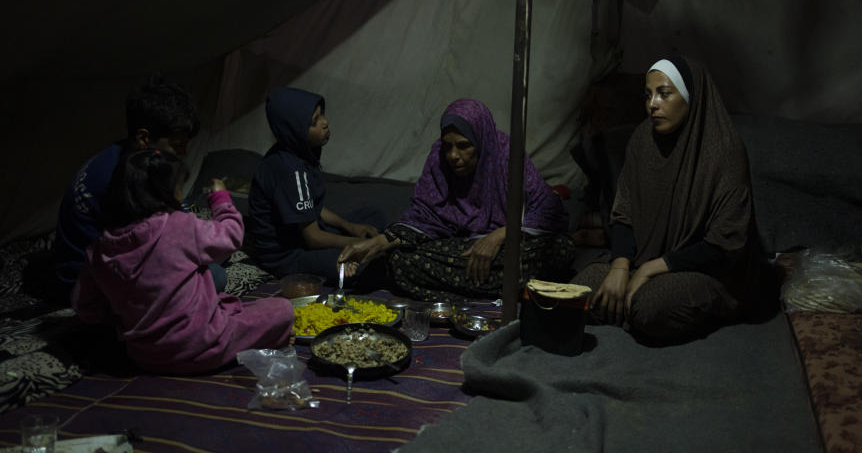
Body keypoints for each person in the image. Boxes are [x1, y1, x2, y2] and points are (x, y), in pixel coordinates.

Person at [571, 56, 768, 344]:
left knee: (649, 308)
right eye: (648, 95)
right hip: (645, 258)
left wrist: (652, 269)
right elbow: (623, 212)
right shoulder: (643, 139)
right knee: (577, 293)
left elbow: (726, 245)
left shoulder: (724, 152)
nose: (652, 104)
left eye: (664, 94)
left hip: (706, 270)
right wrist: (620, 267)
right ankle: (628, 305)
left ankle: (640, 309)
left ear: (691, 97)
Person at [72, 149, 294, 374]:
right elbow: (231, 236)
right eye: (178, 189)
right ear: (162, 194)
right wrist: (221, 199)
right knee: (282, 309)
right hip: (202, 347)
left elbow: (86, 308)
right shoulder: (178, 226)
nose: (181, 196)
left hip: (144, 356)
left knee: (212, 284)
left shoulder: (100, 248)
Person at [338, 98, 575, 303]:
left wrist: (501, 235)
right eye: (448, 146)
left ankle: (462, 290)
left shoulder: (506, 156)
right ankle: (491, 292)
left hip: (512, 245)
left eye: (463, 146)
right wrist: (377, 243)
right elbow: (425, 216)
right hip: (462, 249)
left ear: (481, 141)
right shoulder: (438, 159)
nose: (453, 156)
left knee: (559, 250)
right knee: (399, 260)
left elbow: (548, 209)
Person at [52, 76, 217, 301]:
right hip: (87, 284)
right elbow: (150, 249)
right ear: (144, 138)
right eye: (178, 144)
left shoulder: (126, 156)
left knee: (211, 249)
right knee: (214, 275)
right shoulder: (122, 180)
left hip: (108, 264)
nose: (184, 152)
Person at [245, 86, 384, 282]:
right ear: (294, 131)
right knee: (370, 265)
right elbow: (313, 238)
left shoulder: (299, 151)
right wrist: (359, 243)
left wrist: (351, 227)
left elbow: (312, 209)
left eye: (322, 115)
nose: (325, 123)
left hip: (304, 233)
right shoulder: (289, 169)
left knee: (373, 215)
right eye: (314, 122)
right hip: (288, 254)